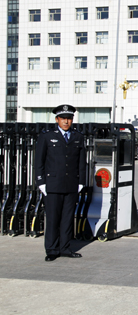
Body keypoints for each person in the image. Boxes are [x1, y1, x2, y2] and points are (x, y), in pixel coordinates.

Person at [35, 104, 85, 262]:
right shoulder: (47, 136)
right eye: (63, 118)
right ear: (57, 119)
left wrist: (81, 181)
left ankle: (65, 248)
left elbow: (81, 161)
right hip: (52, 184)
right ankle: (52, 250)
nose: (66, 121)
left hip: (71, 184)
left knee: (67, 218)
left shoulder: (78, 137)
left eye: (69, 118)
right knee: (52, 219)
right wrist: (41, 182)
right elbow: (39, 161)